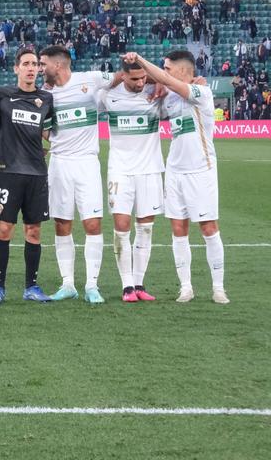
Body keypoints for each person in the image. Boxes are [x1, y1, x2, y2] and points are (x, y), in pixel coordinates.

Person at [122, 50, 228, 304]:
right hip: (175, 171)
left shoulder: (202, 93)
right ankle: (186, 287)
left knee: (209, 228)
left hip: (201, 170)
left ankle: (218, 288)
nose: (165, 71)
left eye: (167, 68)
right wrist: (156, 80)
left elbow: (168, 82)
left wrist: (143, 62)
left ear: (183, 71)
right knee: (178, 229)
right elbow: (147, 84)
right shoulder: (168, 94)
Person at [39, 45, 115, 304]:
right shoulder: (46, 95)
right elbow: (46, 133)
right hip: (59, 163)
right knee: (62, 224)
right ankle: (68, 284)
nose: (40, 68)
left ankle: (92, 285)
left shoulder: (90, 80)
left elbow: (122, 77)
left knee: (92, 223)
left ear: (58, 65)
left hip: (86, 163)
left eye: (43, 63)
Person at [0, 48, 56, 304]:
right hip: (8, 172)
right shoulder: (1, 95)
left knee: (34, 231)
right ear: (16, 68)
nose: (30, 68)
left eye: (35, 64)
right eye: (25, 63)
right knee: (4, 229)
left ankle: (31, 287)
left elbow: (49, 132)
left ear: (39, 69)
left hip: (37, 173)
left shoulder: (46, 99)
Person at [99, 59, 162, 303]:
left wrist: (158, 82)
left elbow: (177, 82)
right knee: (121, 228)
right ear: (123, 76)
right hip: (120, 171)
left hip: (150, 170)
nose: (139, 83)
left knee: (145, 229)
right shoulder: (107, 95)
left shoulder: (155, 93)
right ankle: (126, 286)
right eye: (134, 79)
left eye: (143, 78)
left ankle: (139, 283)